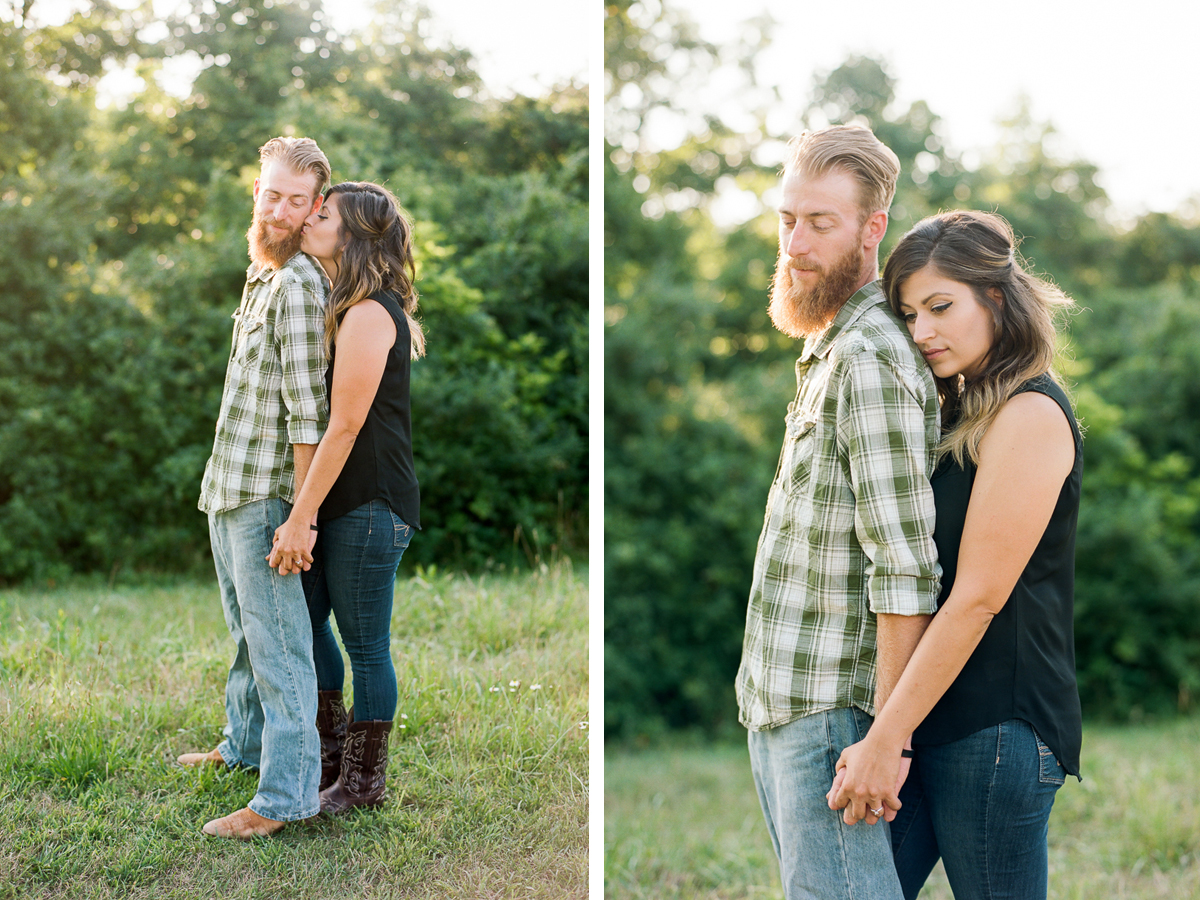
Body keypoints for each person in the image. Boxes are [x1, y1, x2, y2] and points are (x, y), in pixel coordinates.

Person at [829, 209, 1082, 900]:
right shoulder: (966, 413)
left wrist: (887, 736)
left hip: (996, 727)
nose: (923, 332)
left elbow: (978, 597)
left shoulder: (1029, 415)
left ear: (995, 296)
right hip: (934, 718)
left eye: (940, 307)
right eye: (909, 315)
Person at [734, 125, 942, 900]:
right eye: (789, 219)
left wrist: (888, 739)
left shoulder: (870, 357)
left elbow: (906, 567)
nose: (796, 242)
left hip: (832, 713)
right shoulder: (830, 346)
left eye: (821, 222)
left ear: (871, 229)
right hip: (781, 696)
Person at [178, 136, 331, 839]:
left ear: (313, 209)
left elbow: (310, 412)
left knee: (279, 648)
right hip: (228, 485)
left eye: (294, 200)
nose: (278, 208)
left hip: (268, 495)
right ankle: (241, 748)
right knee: (245, 634)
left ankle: (284, 798)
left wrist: (300, 517)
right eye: (270, 193)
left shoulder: (299, 283)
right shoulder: (261, 273)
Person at [266, 181, 425, 815]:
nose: (309, 219)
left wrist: (300, 515)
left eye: (323, 214)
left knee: (366, 647)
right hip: (340, 501)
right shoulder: (343, 303)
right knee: (303, 624)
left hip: (371, 506)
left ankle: (362, 785)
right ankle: (329, 755)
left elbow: (346, 425)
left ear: (352, 236)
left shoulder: (368, 313)